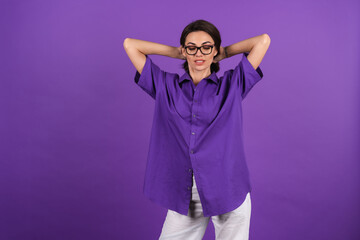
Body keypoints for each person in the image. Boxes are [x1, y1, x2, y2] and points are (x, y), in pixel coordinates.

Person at [123, 19, 270, 240]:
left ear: (214, 50)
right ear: (185, 50)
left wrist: (224, 52)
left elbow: (262, 41)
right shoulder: (165, 85)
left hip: (229, 187)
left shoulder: (233, 84)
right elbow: (130, 45)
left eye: (206, 47)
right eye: (191, 47)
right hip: (187, 194)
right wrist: (176, 52)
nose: (198, 53)